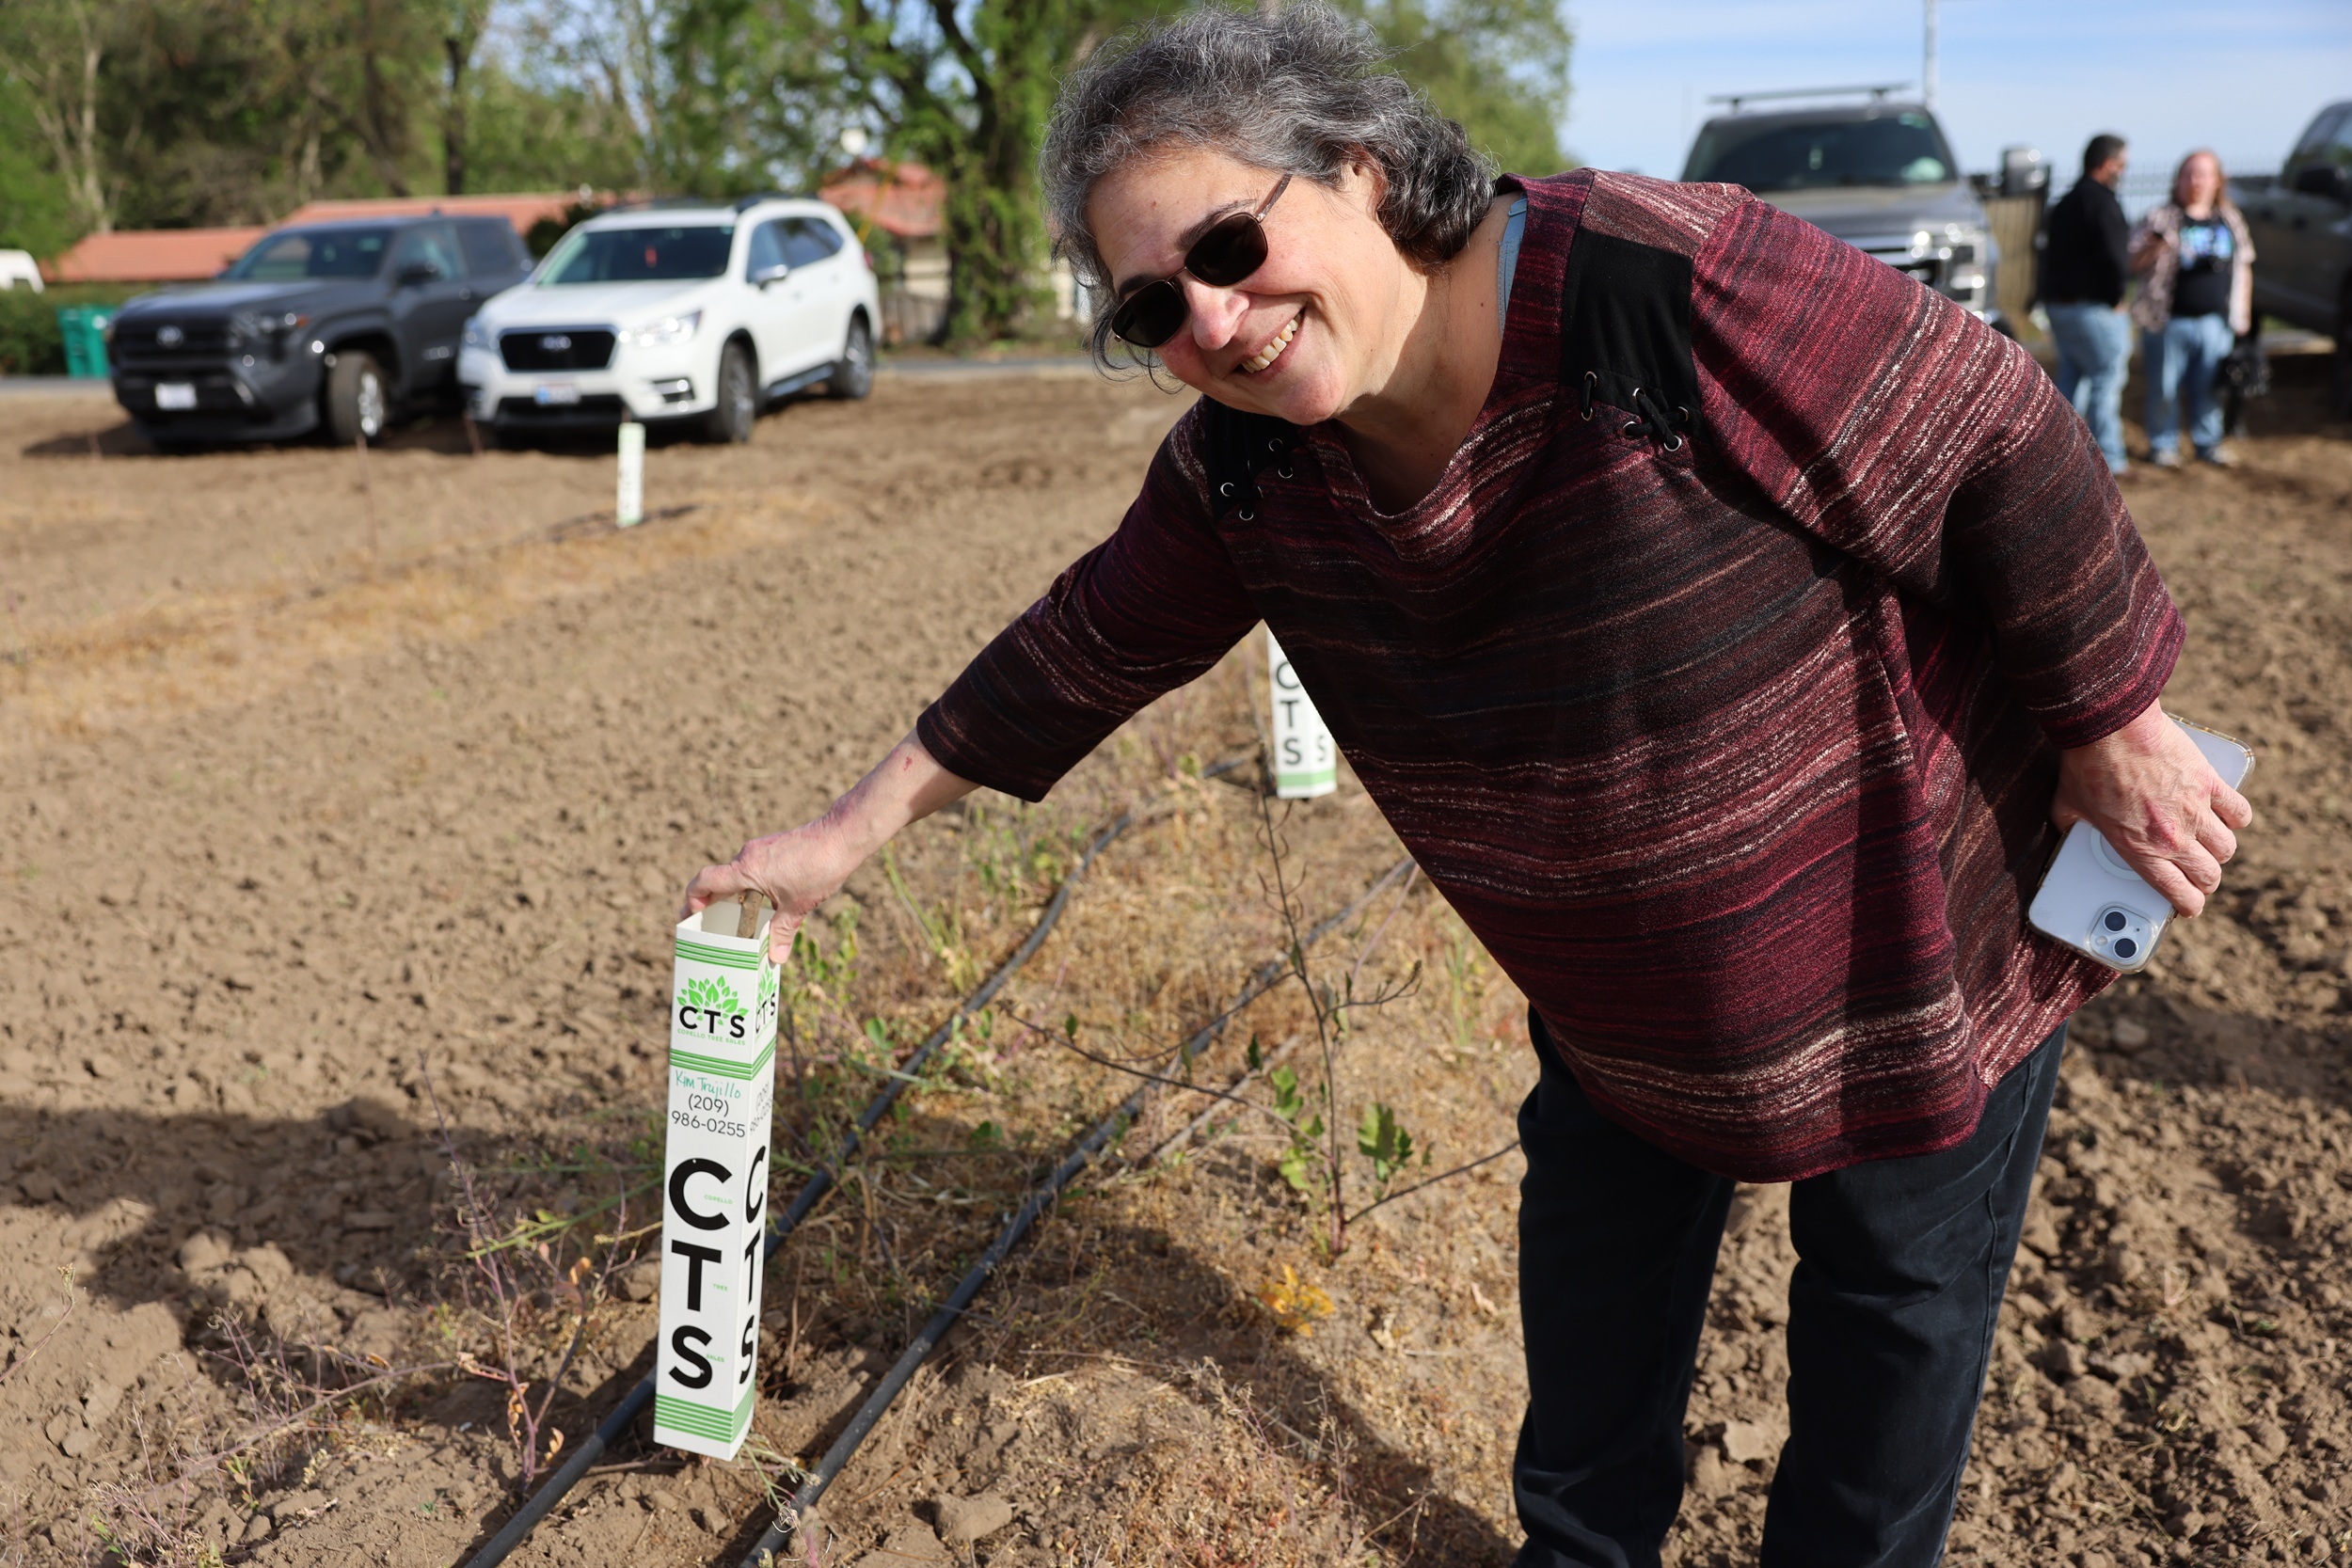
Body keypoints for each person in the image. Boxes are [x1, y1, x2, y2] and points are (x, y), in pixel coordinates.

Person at [684, 8, 2251, 1563]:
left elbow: (1996, 431)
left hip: (1914, 937)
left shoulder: (1655, 281)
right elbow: (1083, 644)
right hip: (1620, 1007)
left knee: (1893, 1327)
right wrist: (850, 829)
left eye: (1231, 245)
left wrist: (2109, 719)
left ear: (1362, 169)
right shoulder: (1247, 469)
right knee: (1591, 1323)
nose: (1214, 322)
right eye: (1153, 303)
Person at [2130, 149, 2256, 467]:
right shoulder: (2161, 217)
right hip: (2168, 321)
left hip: (2216, 323)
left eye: (2202, 174)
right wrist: (2153, 244)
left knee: (2210, 389)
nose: (2195, 181)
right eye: (2188, 174)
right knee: (2164, 388)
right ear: (2178, 180)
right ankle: (2162, 445)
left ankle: (2208, 443)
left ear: (2217, 180)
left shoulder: (2229, 219)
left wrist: (2242, 315)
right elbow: (2132, 263)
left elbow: (2245, 266)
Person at [2042, 134, 2135, 474]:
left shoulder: (2065, 202)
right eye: (2122, 164)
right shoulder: (2103, 203)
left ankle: (2060, 454)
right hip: (2093, 307)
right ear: (2108, 163)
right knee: (2106, 377)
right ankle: (2109, 458)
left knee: (2072, 377)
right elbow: (2115, 257)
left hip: (2060, 306)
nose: (2123, 171)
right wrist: (2116, 298)